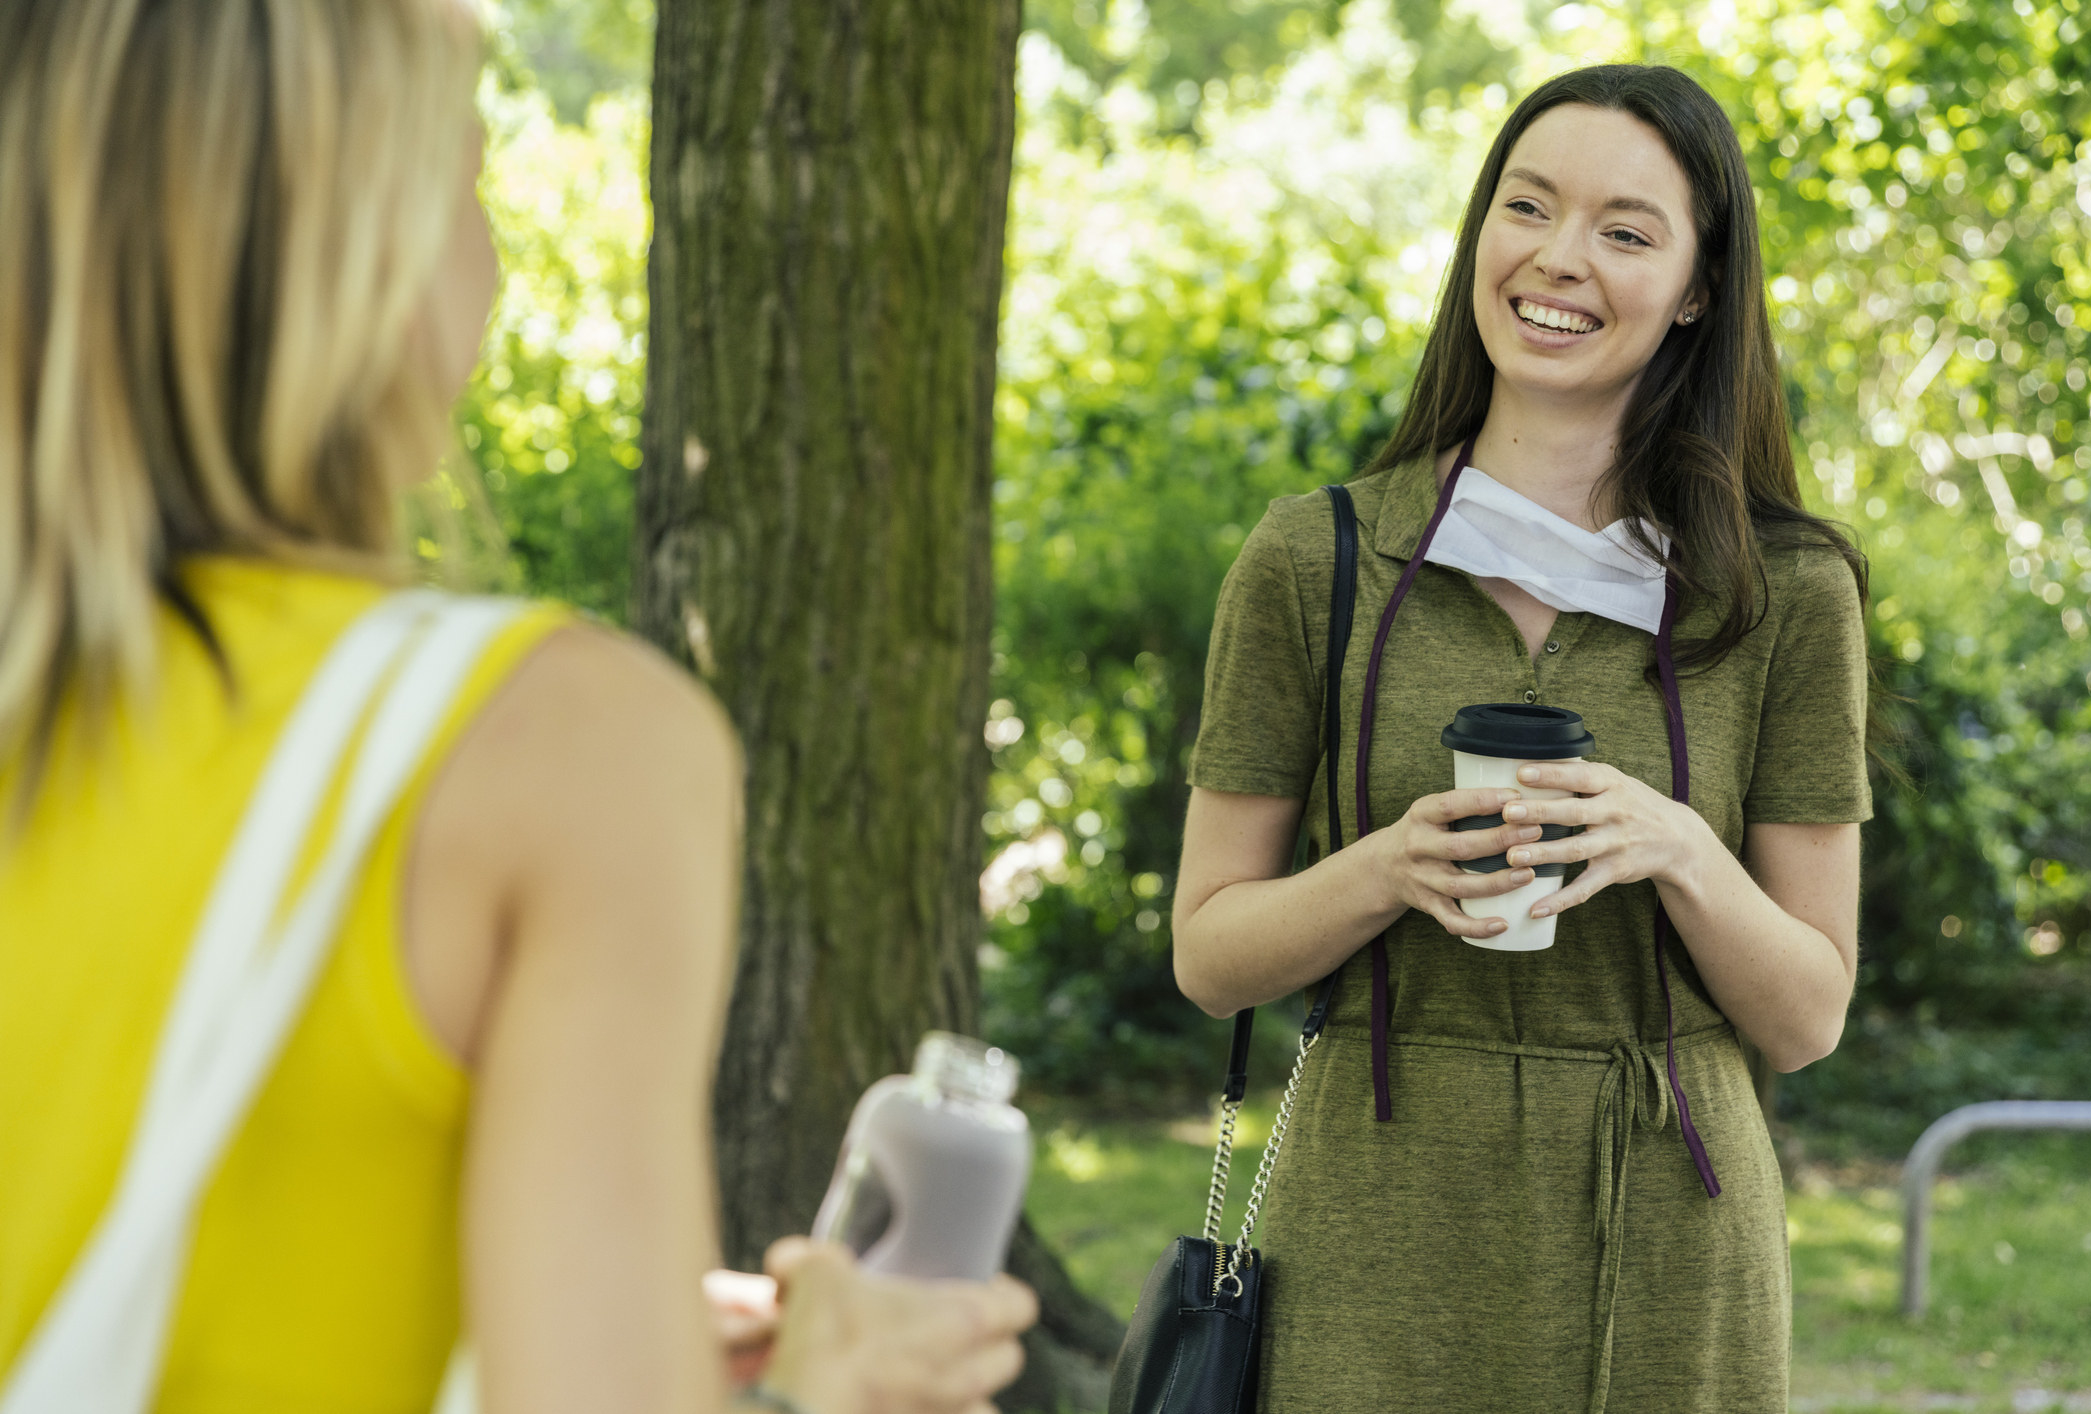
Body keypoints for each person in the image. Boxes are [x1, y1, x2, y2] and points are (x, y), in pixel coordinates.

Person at [0, 3, 1031, 1412]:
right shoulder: (557, 747)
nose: (492, 258)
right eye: (467, 174)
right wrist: (820, 1383)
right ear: (365, 247)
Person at [1171, 64, 1870, 1413]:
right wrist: (1386, 869)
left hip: (1672, 1229)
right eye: (1527, 207)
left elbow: (1805, 1013)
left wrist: (1672, 846)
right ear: (1478, 235)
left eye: (1623, 230)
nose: (1558, 259)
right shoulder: (1312, 557)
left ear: (1696, 288)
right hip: (1371, 1230)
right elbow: (1209, 953)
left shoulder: (1783, 592)